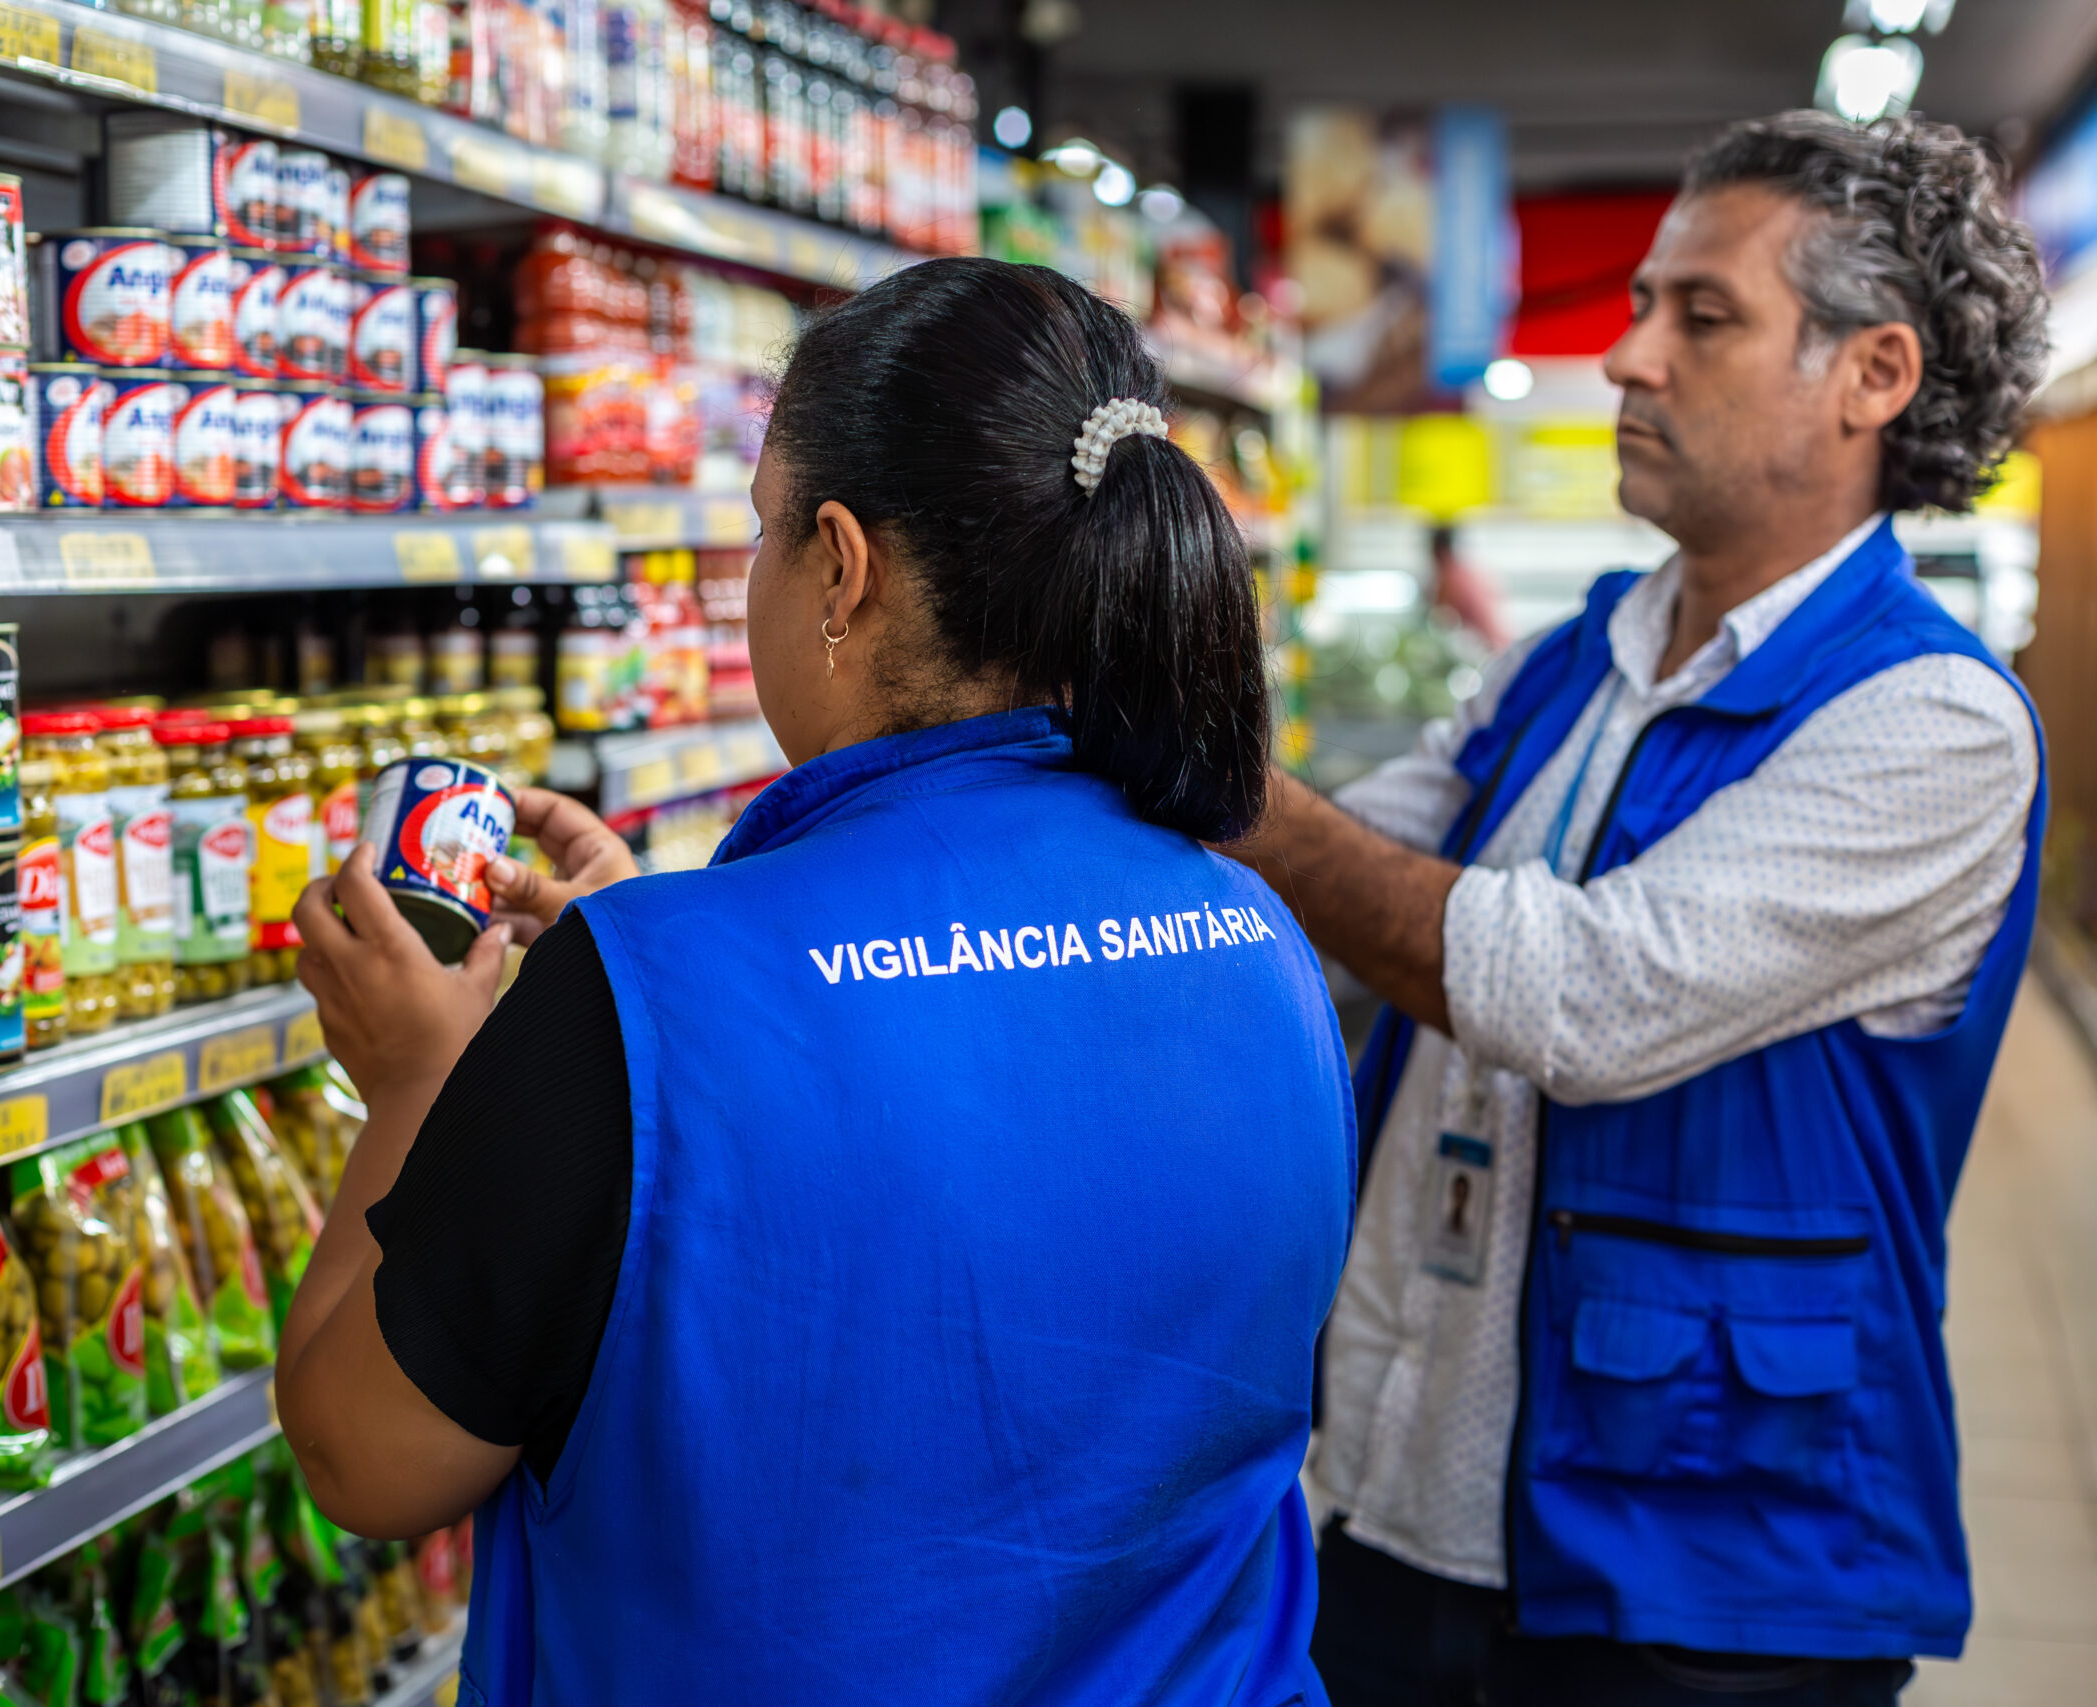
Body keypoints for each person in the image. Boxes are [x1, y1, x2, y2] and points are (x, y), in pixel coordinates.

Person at [276, 258, 1357, 1705]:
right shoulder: (1256, 935)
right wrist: (670, 972)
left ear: (841, 566)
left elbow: (365, 1453)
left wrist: (424, 1087)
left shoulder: (640, 995)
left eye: (765, 528)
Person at [1227, 112, 2049, 1705]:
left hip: (1703, 1579)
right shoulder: (1575, 655)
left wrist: (1222, 787)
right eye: (1640, 303)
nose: (1627, 356)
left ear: (1873, 375)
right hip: (1404, 1505)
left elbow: (1581, 999)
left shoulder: (1932, 723)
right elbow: (1334, 877)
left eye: (1703, 315)